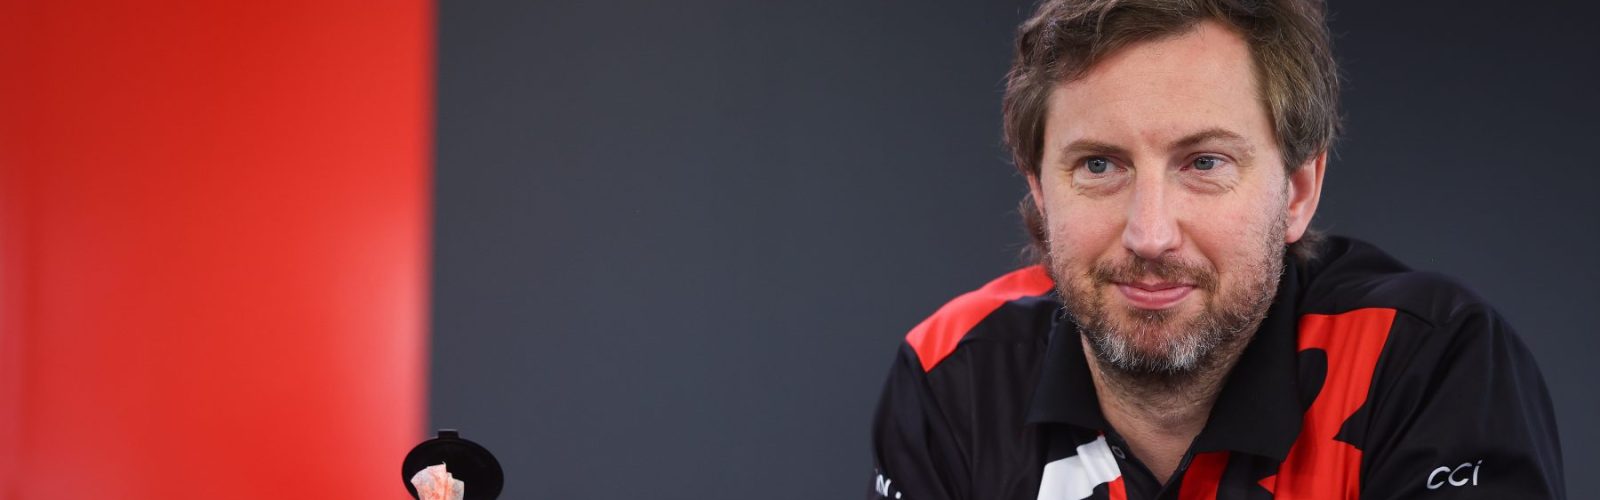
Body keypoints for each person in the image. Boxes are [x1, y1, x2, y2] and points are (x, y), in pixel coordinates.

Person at [865, 0, 1565, 498]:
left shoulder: (1422, 360)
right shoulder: (953, 375)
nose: (1150, 235)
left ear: (1297, 192)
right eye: (1099, 165)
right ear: (1042, 193)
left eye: (1204, 163)